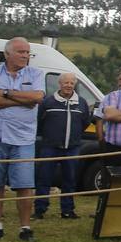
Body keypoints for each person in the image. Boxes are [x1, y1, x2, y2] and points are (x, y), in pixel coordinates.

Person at [0, 37, 46, 242]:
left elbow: (37, 98)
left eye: (27, 52)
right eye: (21, 52)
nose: (25, 56)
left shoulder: (36, 73)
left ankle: (25, 228)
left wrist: (5, 93)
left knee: (25, 185)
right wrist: (22, 99)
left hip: (23, 138)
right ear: (7, 54)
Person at [34, 72, 93, 220]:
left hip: (72, 147)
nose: (68, 85)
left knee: (70, 179)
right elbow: (39, 122)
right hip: (50, 146)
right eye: (65, 83)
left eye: (71, 83)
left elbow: (85, 122)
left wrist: (74, 136)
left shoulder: (81, 103)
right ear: (59, 84)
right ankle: (40, 209)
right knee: (44, 179)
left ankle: (67, 210)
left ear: (75, 85)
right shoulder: (48, 102)